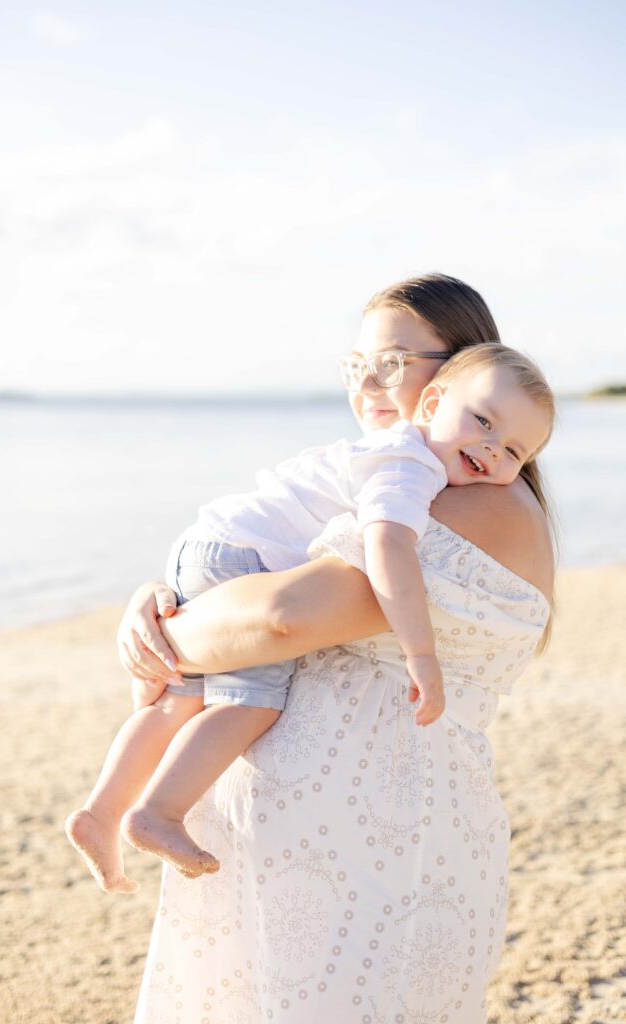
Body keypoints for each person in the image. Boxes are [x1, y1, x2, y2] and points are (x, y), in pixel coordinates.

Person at [121, 273, 556, 1022]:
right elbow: (251, 567)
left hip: (378, 848)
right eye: (357, 364)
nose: (368, 382)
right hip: (304, 847)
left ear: (455, 369)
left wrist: (168, 635)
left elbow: (284, 616)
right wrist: (158, 599)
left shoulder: (473, 500)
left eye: (392, 360)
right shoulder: (404, 483)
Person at [66, 342, 554, 894]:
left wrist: (164, 629)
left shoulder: (415, 464)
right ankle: (157, 811)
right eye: (483, 422)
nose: (492, 449)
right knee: (251, 703)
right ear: (435, 399)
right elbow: (384, 553)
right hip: (240, 559)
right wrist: (421, 652)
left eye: (514, 450)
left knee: (181, 701)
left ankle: (100, 813)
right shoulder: (410, 466)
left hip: (216, 545)